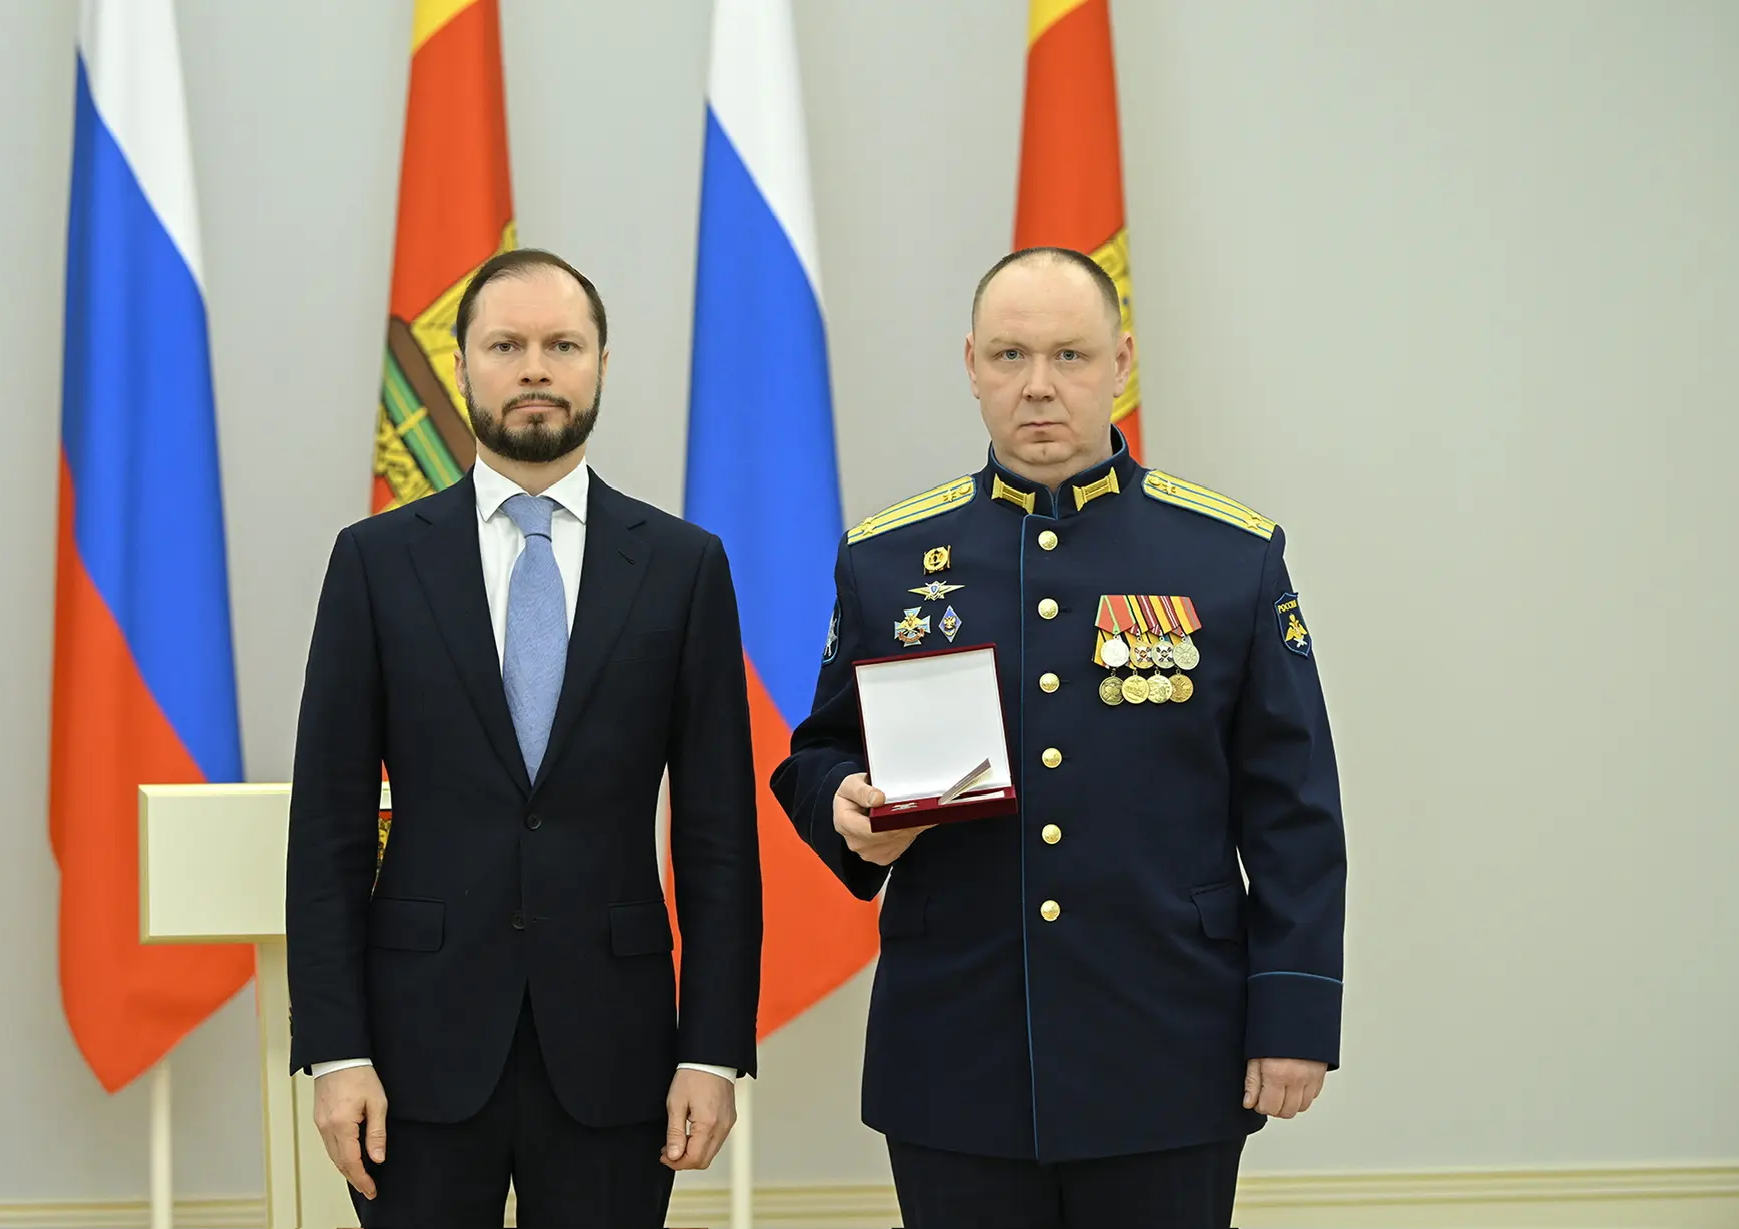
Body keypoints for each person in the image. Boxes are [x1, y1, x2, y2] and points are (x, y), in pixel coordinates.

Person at [771, 247, 1347, 1229]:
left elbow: (1293, 809)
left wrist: (1294, 1012)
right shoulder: (888, 558)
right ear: (971, 365)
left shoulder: (1229, 557)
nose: (1038, 385)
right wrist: (842, 804)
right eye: (1010, 355)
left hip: (1170, 1046)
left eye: (1070, 355)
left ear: (1122, 361)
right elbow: (818, 750)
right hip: (956, 1051)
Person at [287, 248, 762, 1226]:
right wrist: (336, 1050)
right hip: (413, 1055)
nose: (535, 368)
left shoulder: (683, 567)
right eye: (506, 345)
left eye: (562, 345)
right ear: (462, 364)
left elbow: (718, 836)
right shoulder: (376, 562)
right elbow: (328, 827)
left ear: (601, 364)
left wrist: (713, 1051)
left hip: (618, 1053)